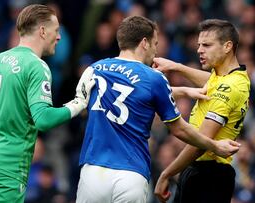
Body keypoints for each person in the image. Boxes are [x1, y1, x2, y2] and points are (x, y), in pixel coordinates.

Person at [76, 16, 241, 203]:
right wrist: (214, 145)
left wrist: (183, 90)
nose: (156, 51)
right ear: (144, 43)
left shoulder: (95, 69)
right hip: (131, 173)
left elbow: (83, 104)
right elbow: (178, 128)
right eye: (155, 44)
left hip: (93, 170)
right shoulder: (154, 78)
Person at [0, 4, 95, 203]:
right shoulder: (37, 66)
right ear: (42, 31)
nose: (58, 37)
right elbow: (43, 119)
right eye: (56, 30)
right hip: (6, 168)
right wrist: (78, 104)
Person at [153, 19, 250, 203]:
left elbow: (201, 142)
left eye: (206, 45)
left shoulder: (231, 87)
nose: (199, 50)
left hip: (209, 176)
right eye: (198, 45)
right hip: (202, 173)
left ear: (227, 46)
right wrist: (176, 67)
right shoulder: (228, 77)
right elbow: (210, 82)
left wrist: (167, 173)